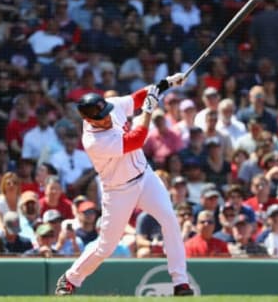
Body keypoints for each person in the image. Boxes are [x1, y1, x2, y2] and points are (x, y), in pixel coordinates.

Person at [54, 73, 194, 296]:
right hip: (119, 190)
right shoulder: (93, 140)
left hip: (144, 176)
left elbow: (138, 98)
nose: (108, 117)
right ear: (89, 120)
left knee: (170, 219)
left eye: (106, 112)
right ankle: (71, 278)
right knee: (105, 246)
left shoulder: (109, 107)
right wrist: (148, 111)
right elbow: (137, 139)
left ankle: (180, 282)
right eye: (102, 117)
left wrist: (166, 83)